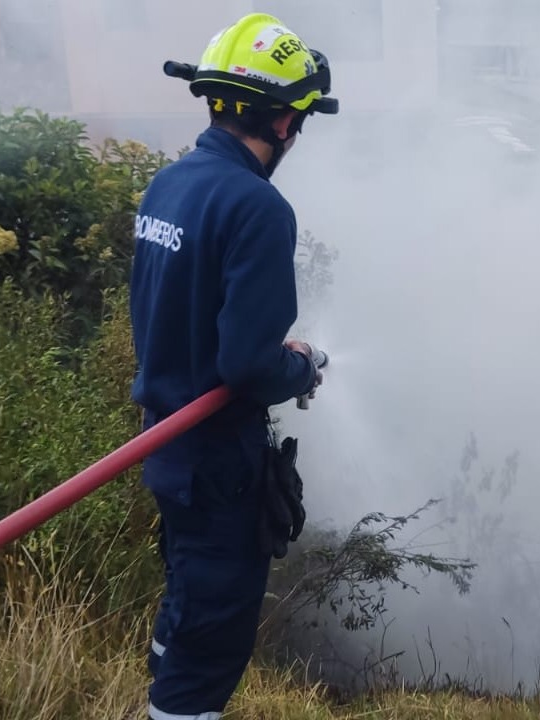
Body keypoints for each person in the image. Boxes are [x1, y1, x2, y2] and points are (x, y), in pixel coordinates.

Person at [126, 12, 339, 720]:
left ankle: (158, 696)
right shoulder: (257, 207)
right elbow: (248, 365)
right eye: (299, 120)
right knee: (212, 643)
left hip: (166, 443)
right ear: (282, 124)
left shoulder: (170, 184)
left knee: (186, 603)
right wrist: (300, 368)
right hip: (217, 462)